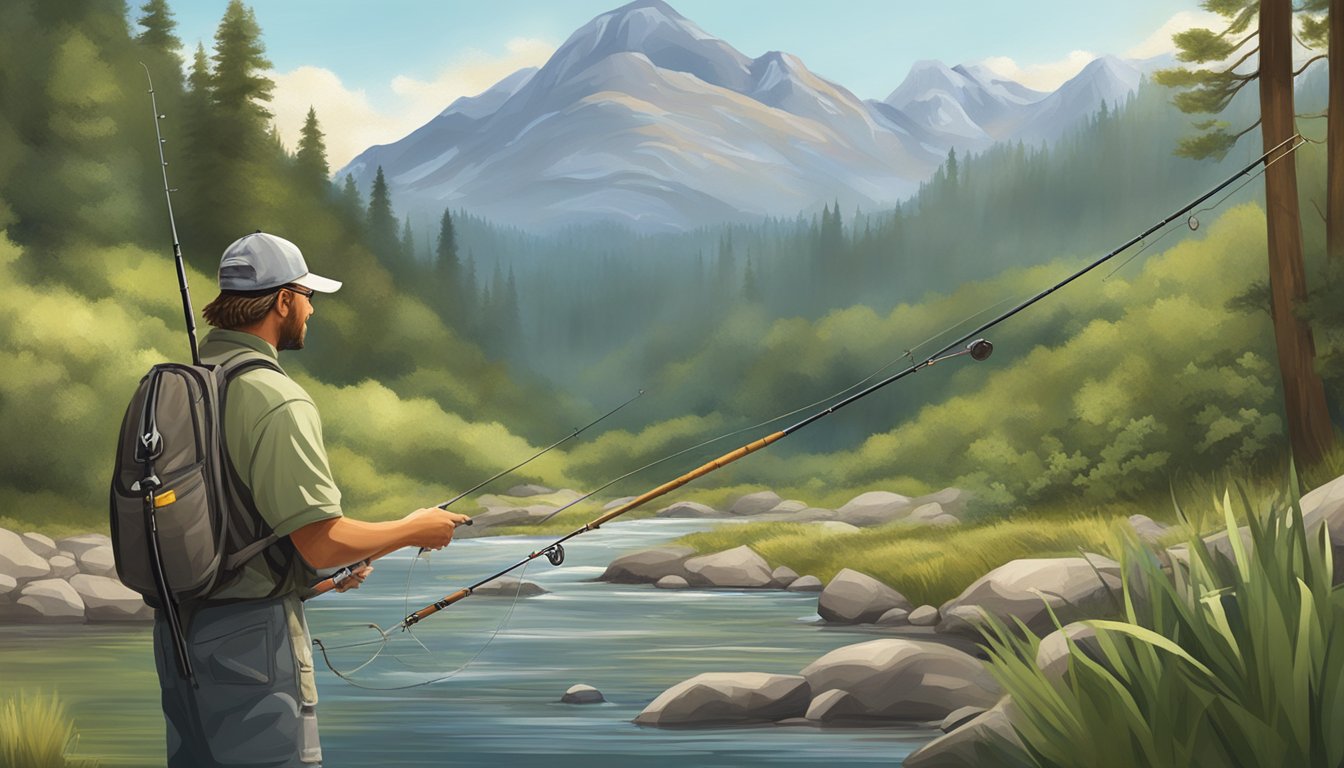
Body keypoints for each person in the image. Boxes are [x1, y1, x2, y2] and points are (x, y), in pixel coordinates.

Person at [153, 231, 469, 767]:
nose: (311, 311)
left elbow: (227, 529)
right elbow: (322, 541)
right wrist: (415, 528)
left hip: (177, 638)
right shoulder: (275, 399)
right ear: (282, 301)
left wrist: (309, 575)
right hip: (252, 648)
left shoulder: (176, 388)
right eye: (308, 297)